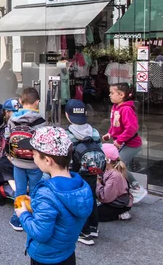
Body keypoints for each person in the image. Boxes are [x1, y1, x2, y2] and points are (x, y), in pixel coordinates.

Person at [15, 126, 93, 265]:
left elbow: (40, 233)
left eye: (34, 154)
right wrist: (36, 204)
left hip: (46, 257)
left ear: (48, 160)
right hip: (67, 253)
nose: (33, 157)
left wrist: (23, 214)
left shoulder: (46, 194)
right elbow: (62, 214)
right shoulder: (79, 186)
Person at [63, 99, 102, 245]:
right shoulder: (94, 132)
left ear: (67, 115)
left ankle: (83, 231)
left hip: (76, 172)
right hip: (92, 171)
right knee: (91, 198)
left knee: (79, 201)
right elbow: (101, 149)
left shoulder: (68, 133)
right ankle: (93, 227)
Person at [7, 87, 46, 231]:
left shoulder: (12, 118)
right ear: (37, 102)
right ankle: (35, 216)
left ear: (20, 101)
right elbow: (42, 141)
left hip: (18, 162)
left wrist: (11, 156)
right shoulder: (41, 120)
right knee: (35, 190)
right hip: (35, 163)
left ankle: (17, 218)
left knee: (20, 191)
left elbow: (8, 137)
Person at [103, 82, 147, 203]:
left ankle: (137, 188)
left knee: (118, 165)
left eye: (112, 93)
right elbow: (115, 125)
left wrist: (119, 140)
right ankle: (127, 188)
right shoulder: (115, 107)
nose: (109, 95)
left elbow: (131, 128)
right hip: (122, 143)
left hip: (131, 144)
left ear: (121, 95)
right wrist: (110, 134)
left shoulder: (126, 109)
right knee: (119, 165)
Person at [96, 144, 133, 222]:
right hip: (114, 199)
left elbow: (106, 197)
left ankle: (120, 215)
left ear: (107, 160)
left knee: (95, 215)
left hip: (118, 204)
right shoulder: (109, 169)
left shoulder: (114, 176)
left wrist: (98, 183)